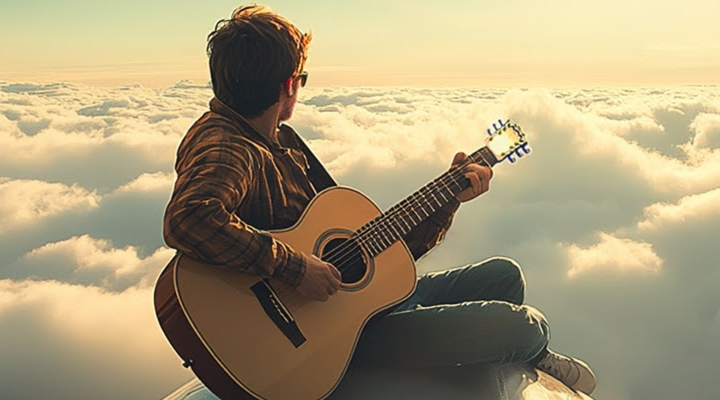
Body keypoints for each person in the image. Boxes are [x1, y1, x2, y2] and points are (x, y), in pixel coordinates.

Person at [162, 4, 597, 396]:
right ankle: (534, 350)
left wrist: (449, 197)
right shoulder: (228, 144)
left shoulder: (280, 142)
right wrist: (297, 269)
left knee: (504, 277)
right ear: (288, 85)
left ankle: (528, 349)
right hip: (333, 342)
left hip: (355, 311)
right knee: (525, 326)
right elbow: (189, 219)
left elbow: (371, 254)